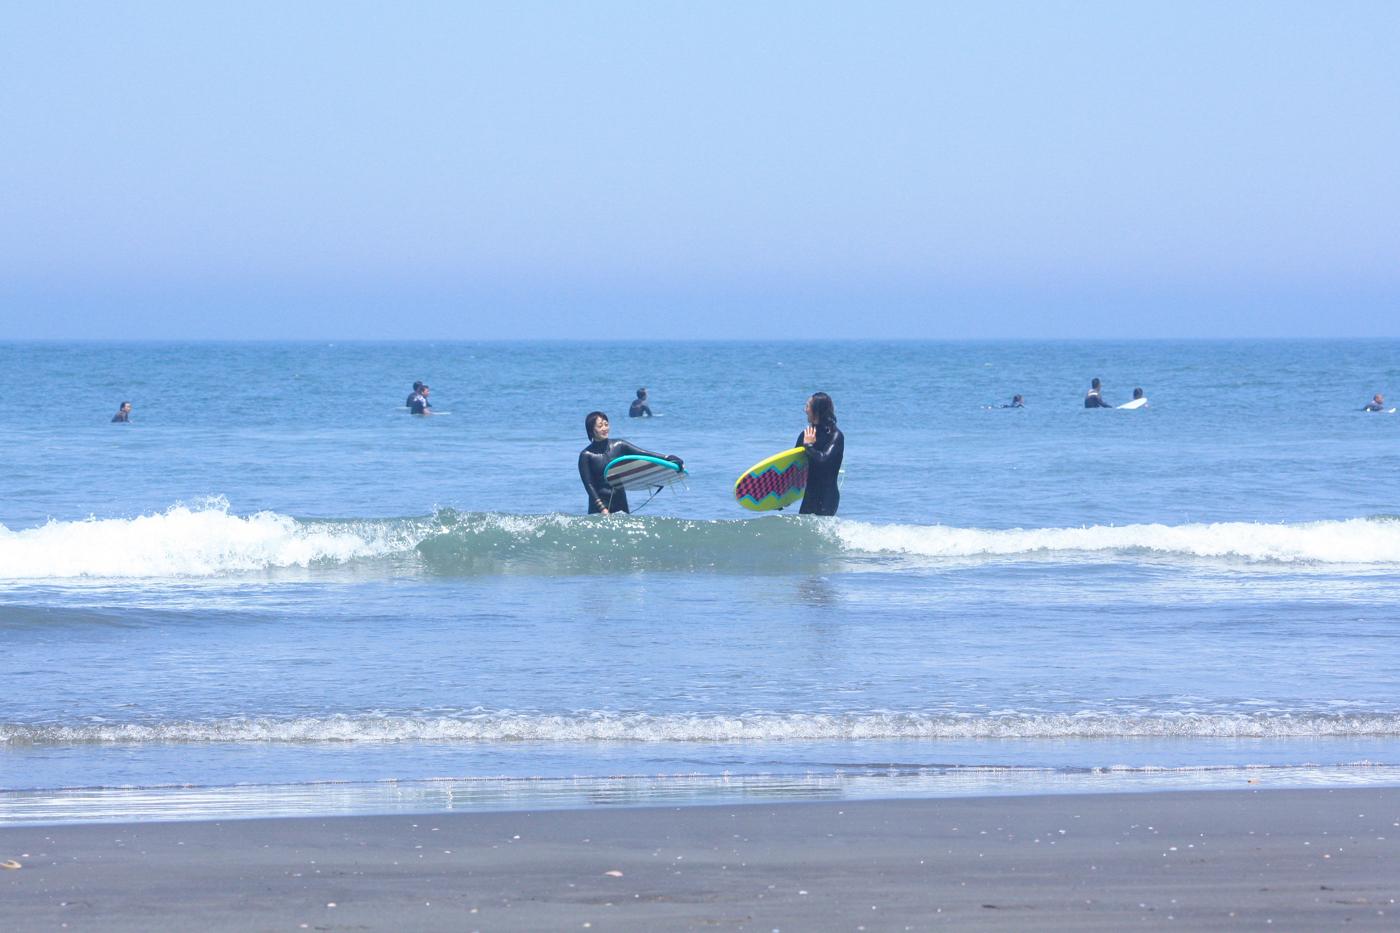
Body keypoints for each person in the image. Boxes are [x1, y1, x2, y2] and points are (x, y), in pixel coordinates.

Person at [578, 412, 683, 514]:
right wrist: (602, 508)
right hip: (599, 505)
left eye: (606, 424)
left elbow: (643, 454)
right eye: (600, 426)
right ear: (591, 431)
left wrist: (668, 458)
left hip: (620, 501)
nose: (605, 428)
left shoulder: (619, 445)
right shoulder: (586, 455)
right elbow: (589, 485)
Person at [796, 392, 844, 516]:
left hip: (827, 496)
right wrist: (785, 496)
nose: (805, 410)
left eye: (808, 406)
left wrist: (808, 446)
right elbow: (795, 466)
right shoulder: (806, 435)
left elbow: (823, 459)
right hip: (809, 495)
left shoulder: (835, 436)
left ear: (816, 410)